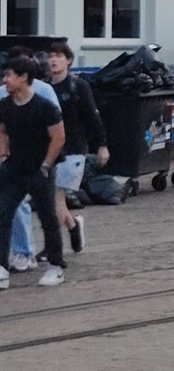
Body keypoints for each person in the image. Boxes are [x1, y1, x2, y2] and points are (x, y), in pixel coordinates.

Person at [0, 56, 66, 288]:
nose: (5, 80)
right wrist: (3, 153)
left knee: (48, 217)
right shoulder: (5, 106)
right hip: (14, 168)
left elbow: (58, 137)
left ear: (23, 77)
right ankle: (1, 268)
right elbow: (2, 130)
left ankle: (56, 266)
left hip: (40, 170)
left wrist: (46, 164)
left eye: (9, 75)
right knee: (2, 213)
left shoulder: (44, 107)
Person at [44, 42, 101, 256]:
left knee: (53, 198)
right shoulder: (45, 87)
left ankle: (53, 245)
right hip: (49, 150)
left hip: (73, 149)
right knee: (53, 200)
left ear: (68, 60)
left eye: (58, 56)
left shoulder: (78, 87)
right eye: (51, 56)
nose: (53, 60)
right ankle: (72, 225)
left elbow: (92, 117)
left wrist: (101, 145)